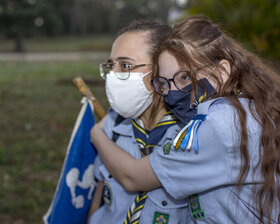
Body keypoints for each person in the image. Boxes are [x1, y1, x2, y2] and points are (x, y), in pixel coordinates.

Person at [90, 15, 280, 224]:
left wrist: (95, 133)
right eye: (165, 83)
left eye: (185, 78)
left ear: (222, 71)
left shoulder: (213, 127)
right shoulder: (245, 108)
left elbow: (133, 176)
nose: (172, 94)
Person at [87, 20, 192, 224]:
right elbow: (100, 191)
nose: (114, 75)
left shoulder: (191, 135)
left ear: (163, 68)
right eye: (111, 66)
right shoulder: (113, 124)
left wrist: (95, 134)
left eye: (126, 65)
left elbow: (132, 177)